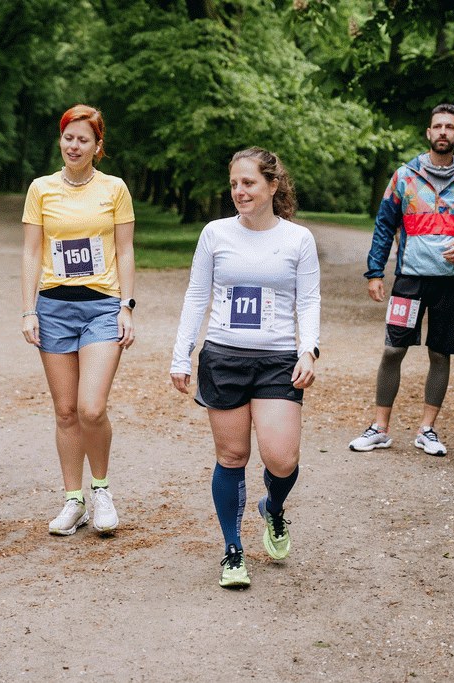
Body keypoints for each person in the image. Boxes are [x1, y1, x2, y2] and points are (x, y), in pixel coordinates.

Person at [171, 147, 321, 589]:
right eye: (234, 183)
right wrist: (181, 354)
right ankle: (233, 549)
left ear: (273, 185)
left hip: (277, 360)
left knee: (282, 459)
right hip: (224, 358)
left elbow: (309, 299)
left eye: (249, 182)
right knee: (232, 456)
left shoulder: (298, 239)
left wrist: (309, 350)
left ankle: (272, 508)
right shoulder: (215, 233)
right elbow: (196, 295)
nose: (239, 191)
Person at [349, 104, 454, 457]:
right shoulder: (404, 176)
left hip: (449, 283)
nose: (443, 132)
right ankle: (379, 428)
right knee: (393, 350)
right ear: (428, 132)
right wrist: (374, 272)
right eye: (437, 126)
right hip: (409, 280)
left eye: (450, 127)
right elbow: (384, 224)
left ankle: (427, 430)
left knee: (440, 354)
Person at [21, 104, 135, 537]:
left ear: (97, 146)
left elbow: (125, 250)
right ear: (60, 140)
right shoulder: (41, 189)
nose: (74, 146)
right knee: (66, 411)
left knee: (91, 407)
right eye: (68, 137)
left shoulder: (114, 189)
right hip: (53, 307)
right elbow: (32, 251)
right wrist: (29, 309)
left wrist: (127, 306)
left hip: (102, 306)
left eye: (83, 139)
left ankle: (101, 489)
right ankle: (74, 500)